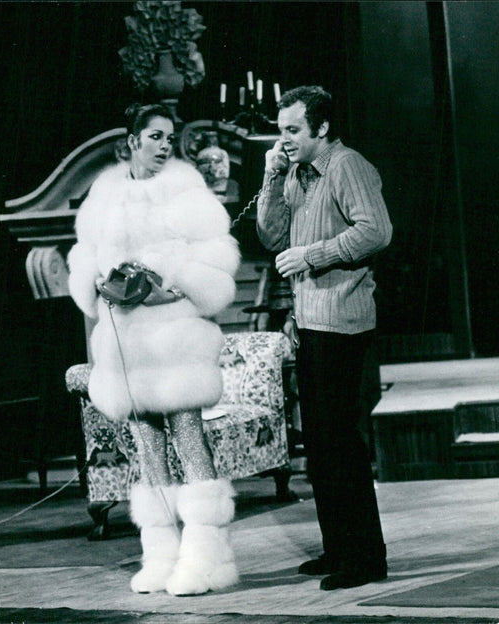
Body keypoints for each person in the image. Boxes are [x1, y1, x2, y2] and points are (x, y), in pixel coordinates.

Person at [67, 103, 241, 596]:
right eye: (157, 137)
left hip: (175, 339)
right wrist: (98, 285)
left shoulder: (187, 189)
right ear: (133, 140)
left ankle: (208, 560)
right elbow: (84, 258)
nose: (166, 145)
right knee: (147, 452)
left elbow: (218, 264)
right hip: (127, 342)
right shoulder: (105, 193)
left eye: (171, 137)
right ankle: (161, 557)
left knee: (189, 439)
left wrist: (174, 285)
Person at [256, 86, 392, 590]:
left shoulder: (347, 165)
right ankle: (339, 547)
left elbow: (376, 231)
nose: (284, 138)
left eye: (293, 129)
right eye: (281, 129)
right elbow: (270, 237)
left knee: (340, 442)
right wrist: (271, 175)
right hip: (312, 321)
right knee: (320, 443)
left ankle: (366, 557)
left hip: (344, 320)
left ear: (321, 128)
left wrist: (311, 255)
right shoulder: (294, 173)